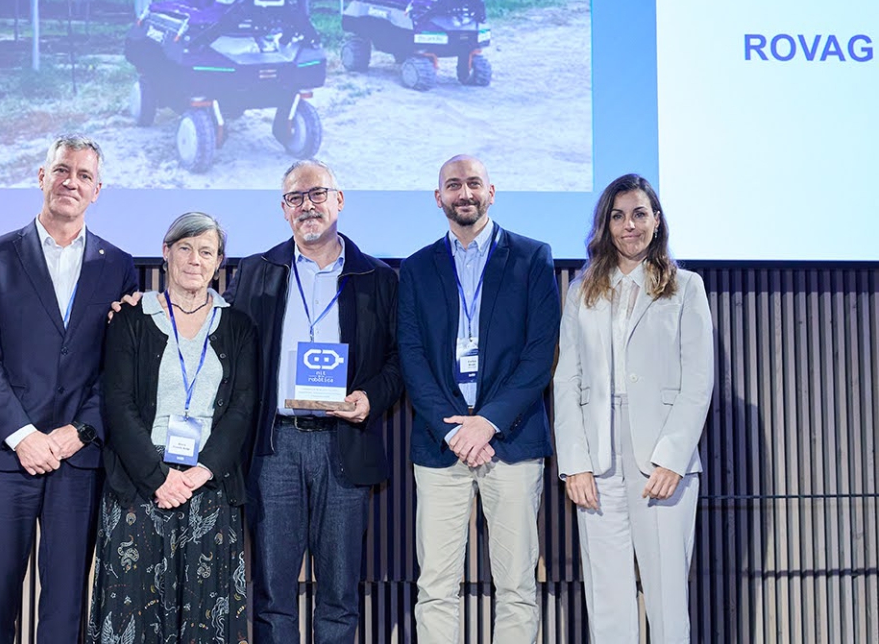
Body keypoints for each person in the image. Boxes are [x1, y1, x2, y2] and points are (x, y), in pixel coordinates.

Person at [0, 135, 137, 643]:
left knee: (64, 611)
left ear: (97, 190)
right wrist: (24, 435)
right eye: (62, 170)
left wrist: (78, 432)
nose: (70, 182)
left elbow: (118, 369)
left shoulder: (118, 264)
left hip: (78, 461)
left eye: (83, 176)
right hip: (3, 457)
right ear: (42, 177)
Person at [224, 159, 402, 644]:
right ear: (284, 210)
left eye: (317, 194)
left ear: (339, 200)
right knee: (271, 595)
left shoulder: (378, 278)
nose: (307, 206)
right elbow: (226, 350)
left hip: (343, 446)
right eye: (295, 199)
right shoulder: (258, 270)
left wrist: (369, 398)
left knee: (340, 597)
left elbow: (397, 362)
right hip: (275, 447)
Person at [397, 154, 561, 644]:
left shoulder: (533, 257)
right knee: (435, 588)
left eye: (473, 184)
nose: (463, 193)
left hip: (510, 443)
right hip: (439, 444)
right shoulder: (416, 267)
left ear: (492, 192)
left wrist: (486, 423)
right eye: (453, 185)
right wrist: (454, 430)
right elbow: (411, 357)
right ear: (438, 197)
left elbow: (539, 355)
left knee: (515, 587)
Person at [553, 173, 714, 643]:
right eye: (618, 216)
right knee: (607, 601)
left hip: (661, 460)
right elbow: (567, 381)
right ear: (605, 225)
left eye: (639, 214)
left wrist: (673, 457)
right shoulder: (581, 291)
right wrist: (575, 465)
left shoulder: (686, 287)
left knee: (666, 601)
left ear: (656, 220)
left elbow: (697, 380)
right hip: (598, 460)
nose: (629, 226)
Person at [88, 212, 257, 643]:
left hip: (210, 490)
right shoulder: (131, 319)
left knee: (207, 621)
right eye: (185, 248)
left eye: (206, 251)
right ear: (166, 253)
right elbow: (118, 405)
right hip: (140, 487)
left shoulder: (238, 326)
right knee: (132, 619)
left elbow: (242, 407)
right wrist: (159, 477)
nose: (194, 260)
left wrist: (201, 472)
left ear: (219, 262)